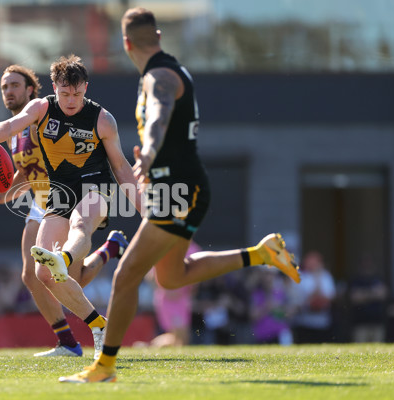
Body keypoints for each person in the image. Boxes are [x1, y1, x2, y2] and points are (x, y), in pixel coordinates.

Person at [60, 7, 301, 383]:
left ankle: (104, 367)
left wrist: (151, 153)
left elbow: (158, 116)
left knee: (126, 276)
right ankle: (262, 252)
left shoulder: (158, 76)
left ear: (126, 44)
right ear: (157, 36)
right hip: (179, 188)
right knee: (172, 277)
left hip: (179, 191)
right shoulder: (170, 70)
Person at [0, 63, 133, 358]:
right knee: (43, 275)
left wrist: (143, 203)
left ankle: (66, 259)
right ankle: (97, 326)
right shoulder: (36, 113)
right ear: (55, 89)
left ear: (86, 88)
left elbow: (121, 166)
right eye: (65, 94)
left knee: (79, 231)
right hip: (55, 194)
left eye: (77, 93)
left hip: (92, 186)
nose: (71, 101)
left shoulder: (101, 119)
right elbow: (12, 136)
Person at [290, 250, 336, 344]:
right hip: (305, 322)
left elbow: (330, 297)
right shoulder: (300, 276)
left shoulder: (326, 276)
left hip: (322, 322)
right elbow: (299, 300)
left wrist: (317, 279)